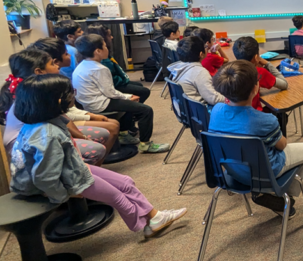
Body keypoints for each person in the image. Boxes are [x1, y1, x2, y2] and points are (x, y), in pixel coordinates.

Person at [9, 74, 186, 238]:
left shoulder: (46, 120)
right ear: (56, 101)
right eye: (70, 93)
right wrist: (65, 196)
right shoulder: (46, 134)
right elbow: (45, 177)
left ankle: (156, 218)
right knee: (117, 196)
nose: (73, 96)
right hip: (55, 183)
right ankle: (143, 224)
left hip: (69, 169)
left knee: (125, 182)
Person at [210, 61, 303, 218]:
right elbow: (282, 145)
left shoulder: (216, 111)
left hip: (232, 172)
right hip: (265, 173)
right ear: (256, 88)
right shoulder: (264, 120)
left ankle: (278, 197)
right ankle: (283, 197)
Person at [1, 49, 116, 165]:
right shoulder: (35, 94)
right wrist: (83, 138)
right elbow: (59, 122)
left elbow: (62, 118)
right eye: (52, 63)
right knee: (94, 149)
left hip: (44, 135)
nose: (57, 65)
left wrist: (82, 136)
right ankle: (80, 178)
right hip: (25, 143)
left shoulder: (41, 87)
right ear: (39, 72)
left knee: (103, 134)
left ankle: (87, 173)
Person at [72, 34, 170, 153]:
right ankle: (146, 144)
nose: (107, 48)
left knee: (129, 103)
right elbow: (111, 93)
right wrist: (129, 97)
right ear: (98, 51)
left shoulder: (83, 64)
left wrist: (127, 98)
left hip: (90, 102)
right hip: (100, 104)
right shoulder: (99, 69)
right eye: (104, 46)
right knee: (146, 110)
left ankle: (123, 134)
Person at [28, 38, 121, 150]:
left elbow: (67, 112)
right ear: (56, 60)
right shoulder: (45, 87)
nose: (70, 56)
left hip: (64, 120)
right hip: (51, 130)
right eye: (66, 54)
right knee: (111, 127)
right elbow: (62, 118)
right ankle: (92, 158)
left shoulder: (56, 79)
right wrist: (83, 133)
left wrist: (90, 116)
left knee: (113, 124)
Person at [85, 24, 151, 103]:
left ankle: (133, 107)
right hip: (114, 85)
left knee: (139, 86)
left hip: (116, 81)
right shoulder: (102, 60)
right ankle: (131, 111)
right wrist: (123, 80)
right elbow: (111, 81)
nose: (112, 37)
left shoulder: (105, 55)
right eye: (109, 35)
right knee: (144, 91)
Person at [232, 36, 288, 111]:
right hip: (254, 116)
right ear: (256, 57)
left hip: (236, 115)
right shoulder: (259, 72)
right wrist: (268, 64)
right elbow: (284, 84)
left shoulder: (231, 70)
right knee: (281, 114)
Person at [168, 36, 227, 106]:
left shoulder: (178, 67)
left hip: (189, 110)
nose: (207, 48)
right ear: (201, 54)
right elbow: (214, 99)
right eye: (205, 47)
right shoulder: (200, 72)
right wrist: (231, 99)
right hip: (202, 111)